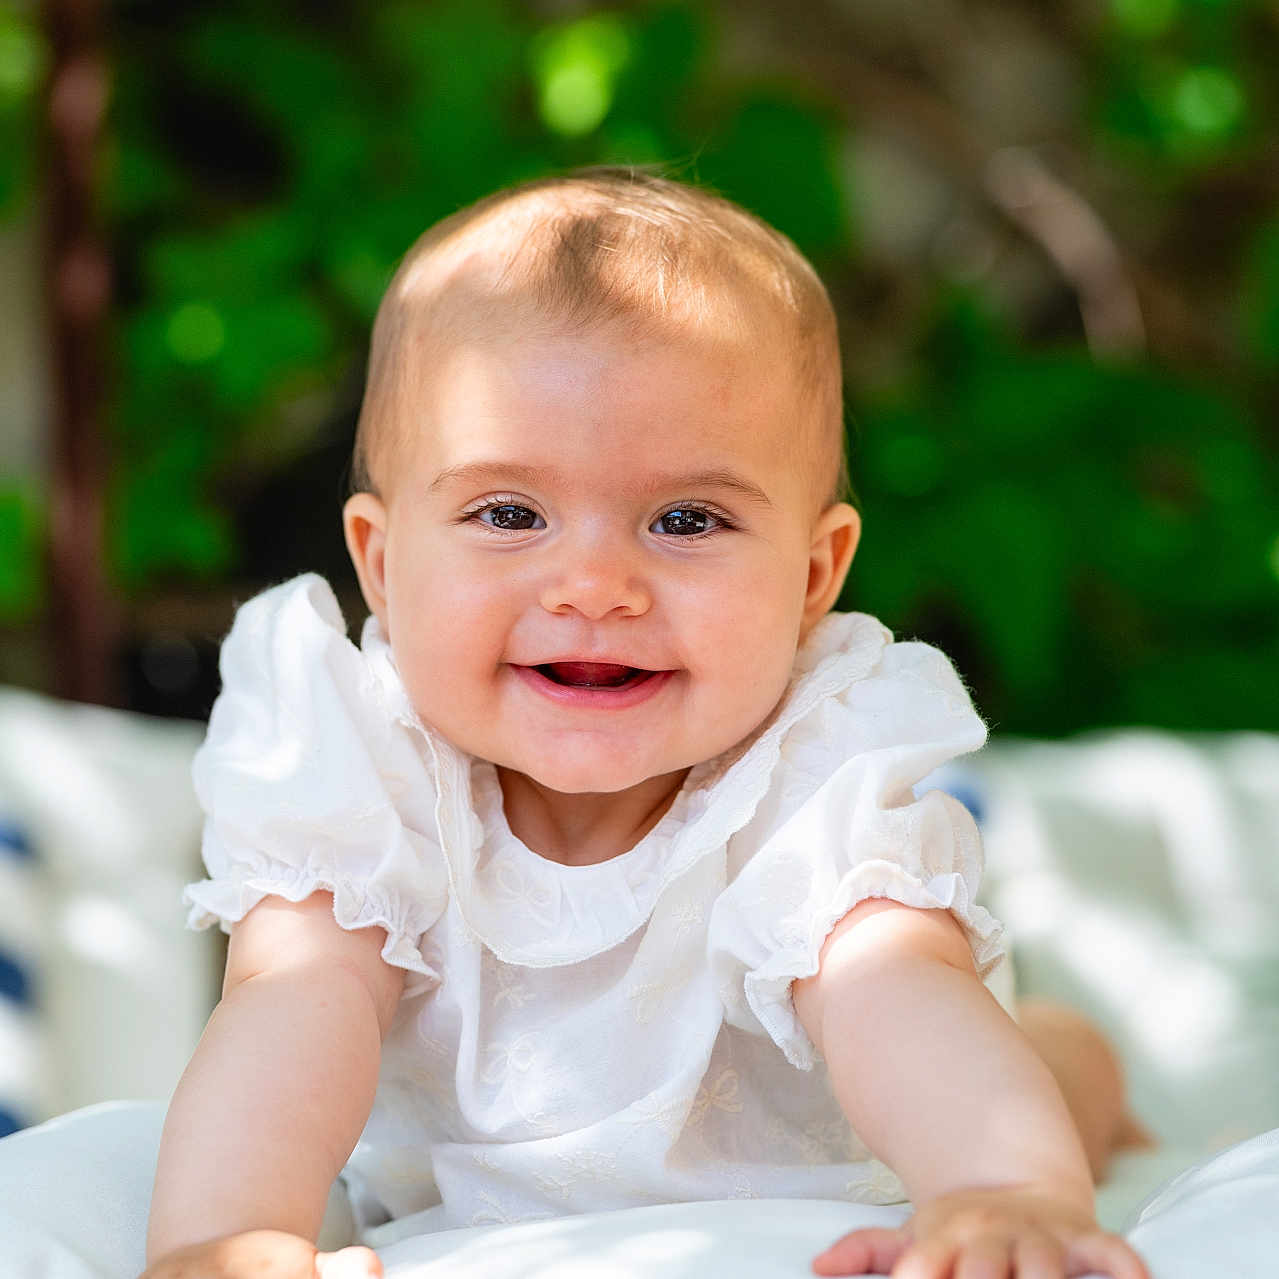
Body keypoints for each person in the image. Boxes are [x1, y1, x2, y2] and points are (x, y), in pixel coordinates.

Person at [141, 168, 1151, 1279]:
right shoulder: (361, 762)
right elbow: (297, 1002)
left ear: (813, 578)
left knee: (1035, 1068)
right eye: (509, 512)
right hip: (474, 1194)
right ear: (382, 565)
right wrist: (223, 1238)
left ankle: (1074, 1058)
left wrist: (1002, 1189)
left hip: (847, 1137)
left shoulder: (809, 761)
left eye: (685, 519)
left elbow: (892, 986)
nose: (593, 585)